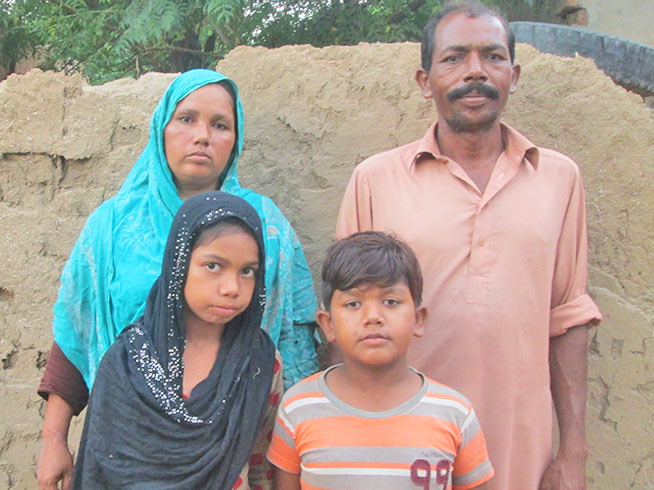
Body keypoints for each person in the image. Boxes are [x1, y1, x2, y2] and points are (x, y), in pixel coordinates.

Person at [335, 2, 602, 489]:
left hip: (522, 447)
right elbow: (349, 318)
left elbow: (568, 316)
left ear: (514, 75)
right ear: (424, 80)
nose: (475, 71)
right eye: (455, 57)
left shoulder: (558, 178)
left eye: (493, 57)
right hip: (403, 444)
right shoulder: (374, 180)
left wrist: (574, 451)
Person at [37, 69, 319, 490]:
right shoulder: (112, 226)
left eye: (220, 124)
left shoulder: (267, 226)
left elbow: (296, 341)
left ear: (235, 141)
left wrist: (299, 451)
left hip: (230, 449)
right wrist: (53, 439)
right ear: (161, 128)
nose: (202, 135)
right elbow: (77, 330)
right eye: (186, 119)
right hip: (127, 446)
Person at [73, 191, 280, 489]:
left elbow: (262, 466)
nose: (232, 287)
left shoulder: (261, 363)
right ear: (179, 265)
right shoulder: (128, 363)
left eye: (247, 271)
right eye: (213, 266)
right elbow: (103, 469)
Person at [267, 231, 494, 490]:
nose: (373, 316)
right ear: (328, 325)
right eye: (353, 304)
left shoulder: (454, 413)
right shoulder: (299, 408)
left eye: (391, 301)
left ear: (418, 319)